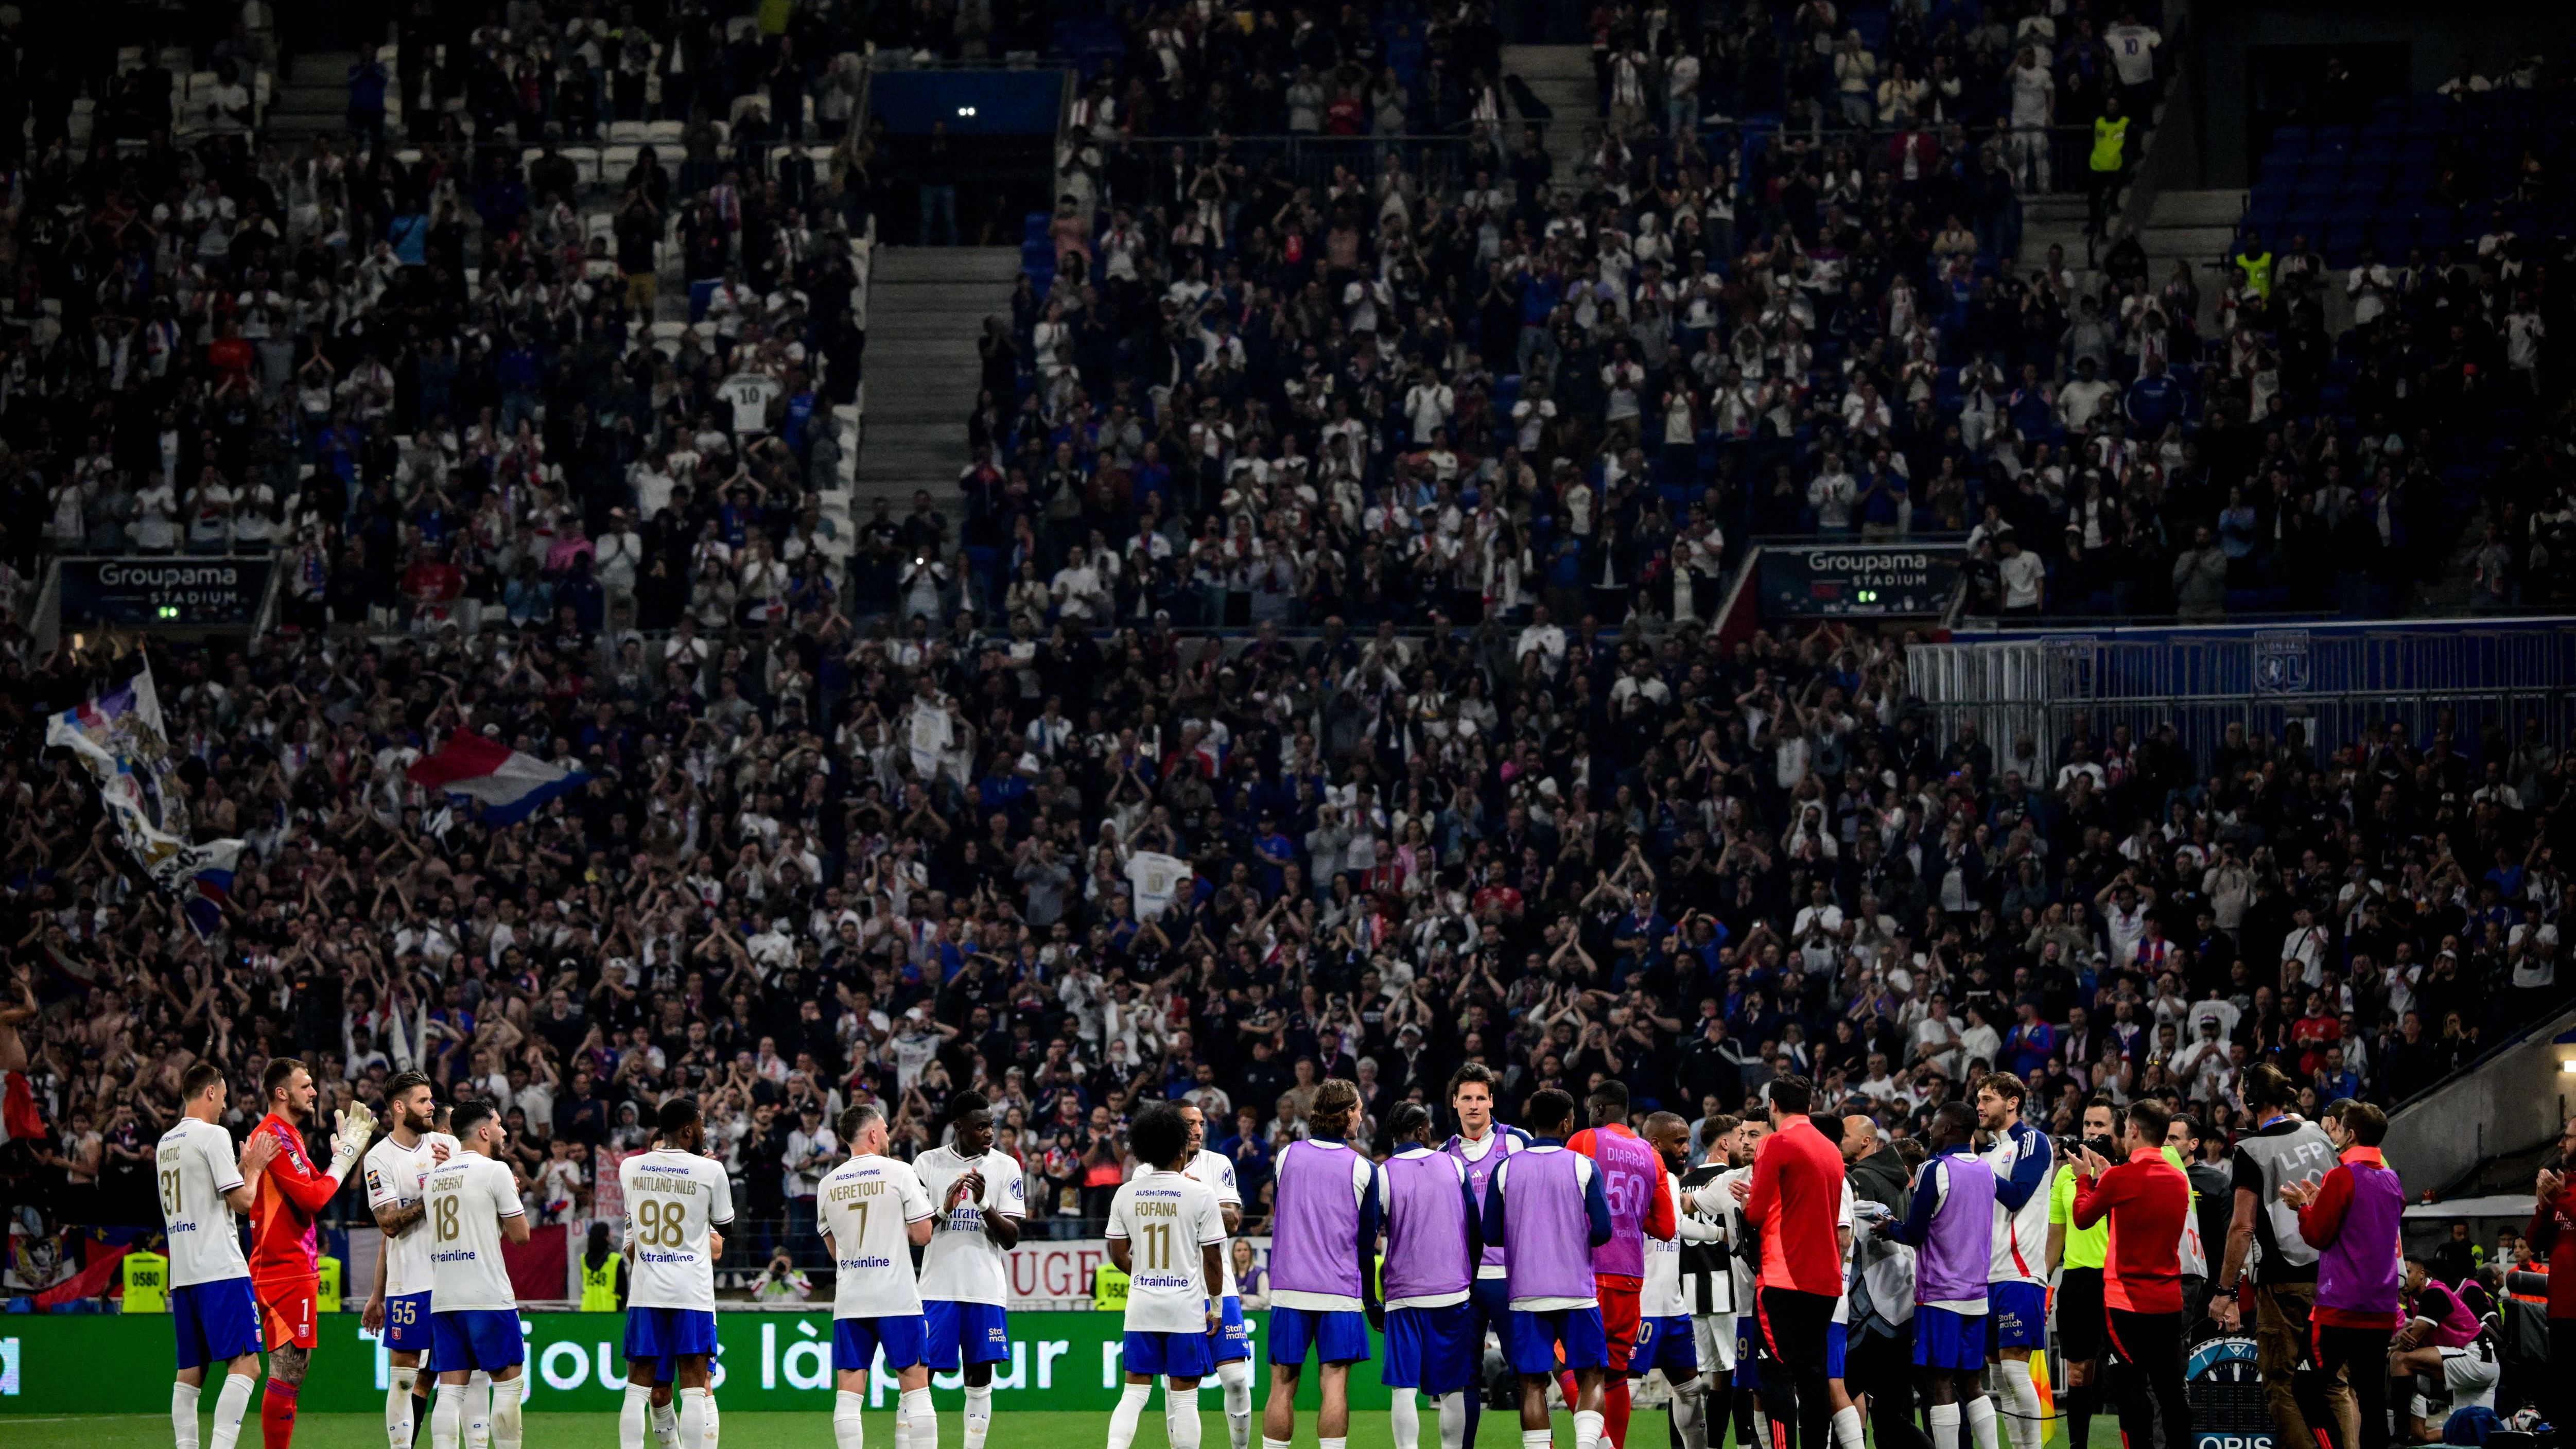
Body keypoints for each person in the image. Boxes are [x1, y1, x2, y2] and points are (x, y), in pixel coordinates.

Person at [249, 1060, 377, 1449]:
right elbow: (314, 1198)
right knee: (287, 1371)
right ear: (282, 1093)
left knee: (293, 1372)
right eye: (305, 1085)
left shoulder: (289, 1135)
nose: (314, 1092)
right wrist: (346, 1158)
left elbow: (314, 1187)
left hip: (290, 1266)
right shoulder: (273, 1136)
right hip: (283, 1268)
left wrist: (340, 1160)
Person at [1485, 1087, 1616, 1449]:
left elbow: (1490, 1234)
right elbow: (1604, 1229)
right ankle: (1587, 1446)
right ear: (1567, 1123)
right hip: (1576, 1291)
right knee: (1591, 1374)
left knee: (1532, 1382)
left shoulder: (1505, 1168)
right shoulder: (1583, 1166)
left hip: (1526, 1293)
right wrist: (1572, 1240)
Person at [2218, 1064, 2341, 1449]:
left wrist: (2225, 1290)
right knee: (2336, 1383)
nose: (2239, 1099)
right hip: (2334, 1276)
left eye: (2242, 1093)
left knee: (2279, 1384)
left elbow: (2242, 1227)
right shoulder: (2318, 1133)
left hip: (2283, 1283)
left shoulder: (2251, 1149)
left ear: (2253, 1100)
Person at [160, 1061, 280, 1449]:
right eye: (223, 1097)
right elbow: (243, 1202)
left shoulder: (166, 1143)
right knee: (247, 1365)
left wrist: (239, 1166)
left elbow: (205, 1193)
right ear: (210, 1092)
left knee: (190, 1374)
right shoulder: (214, 1135)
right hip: (220, 1270)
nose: (224, 1105)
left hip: (183, 1275)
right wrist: (255, 1169)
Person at [1262, 1080, 1381, 1449]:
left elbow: (1283, 1210)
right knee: (1334, 1384)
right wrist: (1370, 1300)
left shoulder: (1286, 1157)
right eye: (1358, 1109)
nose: (1360, 1116)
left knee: (1282, 1384)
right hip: (1339, 1292)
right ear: (1345, 1114)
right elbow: (1366, 1245)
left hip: (1290, 1288)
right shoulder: (1363, 1169)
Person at [2069, 1098, 2192, 1449]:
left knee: (2130, 1390)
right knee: (2170, 1389)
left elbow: (2083, 1217)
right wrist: (2109, 1177)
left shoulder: (2121, 1178)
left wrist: (2084, 1179)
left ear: (2134, 1130)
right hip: (2168, 1300)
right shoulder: (2178, 1179)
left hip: (2127, 1302)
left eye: (2124, 1130)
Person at [2281, 1099, 2403, 1449]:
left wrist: (2304, 1208)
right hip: (2381, 1308)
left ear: (2349, 1134)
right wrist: (2324, 1202)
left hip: (2340, 1306)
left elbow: (2317, 1235)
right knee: (2371, 1397)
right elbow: (2366, 1221)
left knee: (2305, 1386)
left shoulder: (2341, 1176)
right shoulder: (2392, 1179)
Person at [1104, 1103, 1228, 1449]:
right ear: (1180, 1149)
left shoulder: (1126, 1192)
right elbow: (1213, 1259)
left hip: (1142, 1305)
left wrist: (1145, 1275)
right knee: (1185, 1398)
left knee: (1134, 1393)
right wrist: (1217, 1307)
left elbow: (1118, 1253)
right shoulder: (1200, 1194)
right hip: (1184, 1307)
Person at [1565, 1080, 1677, 1449]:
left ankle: (1601, 1444)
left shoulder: (1584, 1141)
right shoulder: (1651, 1154)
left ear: (1598, 1109)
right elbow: (1666, 1227)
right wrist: (1631, 1212)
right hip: (1630, 1277)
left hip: (1587, 1272)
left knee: (1565, 1363)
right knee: (1615, 1377)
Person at [1735, 1076, 1844, 1449]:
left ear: (1773, 1106)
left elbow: (1755, 1213)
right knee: (1814, 1377)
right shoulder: (1831, 1149)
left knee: (1775, 1373)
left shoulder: (1776, 1142)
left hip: (1784, 1276)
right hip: (1825, 1280)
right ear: (1810, 1106)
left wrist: (1747, 1202)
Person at [821, 1105, 938, 1449]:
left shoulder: (827, 1184)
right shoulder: (899, 1172)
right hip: (896, 1297)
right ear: (873, 1134)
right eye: (885, 1129)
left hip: (851, 1300)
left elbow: (835, 1251)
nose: (887, 1135)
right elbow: (923, 1235)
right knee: (916, 1389)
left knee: (848, 1394)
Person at [619, 1097, 734, 1449]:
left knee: (636, 1390)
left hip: (646, 1291)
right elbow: (725, 1227)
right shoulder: (710, 1171)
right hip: (691, 1292)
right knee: (695, 1389)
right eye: (701, 1125)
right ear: (687, 1130)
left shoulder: (629, 1167)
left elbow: (633, 1229)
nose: (704, 1132)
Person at [1886, 1102, 2000, 1449]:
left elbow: (1914, 1232)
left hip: (1941, 1294)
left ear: (1948, 1129)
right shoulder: (1986, 1170)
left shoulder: (1933, 1169)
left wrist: (1889, 1227)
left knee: (1940, 1382)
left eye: (1935, 1126)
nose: (1930, 1132)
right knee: (1972, 1382)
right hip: (1977, 1295)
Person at [916, 1091, 1025, 1449]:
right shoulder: (927, 1164)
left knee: (980, 1381)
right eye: (980, 1126)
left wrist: (984, 1203)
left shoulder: (1006, 1167)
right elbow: (915, 1233)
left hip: (984, 1290)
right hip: (937, 1290)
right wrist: (945, 1208)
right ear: (958, 1126)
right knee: (920, 1381)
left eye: (991, 1124)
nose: (989, 1132)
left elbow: (1011, 1238)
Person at [424, 1102, 532, 1449]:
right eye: (499, 1125)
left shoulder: (434, 1178)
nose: (504, 1132)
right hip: (487, 1296)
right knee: (508, 1385)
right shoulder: (496, 1171)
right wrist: (511, 1196)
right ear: (484, 1131)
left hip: (444, 1299)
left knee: (450, 1391)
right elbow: (521, 1235)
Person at [1374, 1102, 1482, 1449]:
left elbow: (1366, 1238)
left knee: (1403, 1386)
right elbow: (1476, 1231)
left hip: (1404, 1294)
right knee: (1453, 1387)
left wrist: (1370, 1298)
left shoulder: (1383, 1174)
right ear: (1421, 1131)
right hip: (1452, 1291)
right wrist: (1469, 1280)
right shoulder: (1454, 1165)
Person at [1443, 1063, 1530, 1449]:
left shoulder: (1518, 1142)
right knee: (1464, 1378)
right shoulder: (1443, 1154)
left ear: (1492, 1101)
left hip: (1512, 1279)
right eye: (1467, 1098)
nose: (1474, 1105)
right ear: (1455, 1103)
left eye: (1481, 1097)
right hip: (1464, 1284)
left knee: (1528, 1374)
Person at [360, 1073, 447, 1449]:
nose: (431, 1106)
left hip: (452, 1278)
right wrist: (378, 1294)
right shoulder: (380, 1158)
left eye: (431, 1099)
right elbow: (389, 1226)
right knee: (404, 1376)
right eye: (423, 1100)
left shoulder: (446, 1146)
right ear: (399, 1107)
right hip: (410, 1281)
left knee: (450, 1375)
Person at [1974, 1073, 2055, 1449]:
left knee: (2015, 1372)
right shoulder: (1988, 1154)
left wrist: (1974, 1170)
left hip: (2019, 1273)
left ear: (2012, 1103)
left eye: (1987, 1098)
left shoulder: (2032, 1141)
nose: (1979, 1106)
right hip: (1986, 1276)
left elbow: (2017, 1195)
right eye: (1978, 1099)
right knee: (1999, 1378)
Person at [1178, 1104, 1256, 1449]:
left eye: (1200, 1123)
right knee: (1181, 1387)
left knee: (1236, 1378)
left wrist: (1199, 1195)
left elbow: (1233, 1222)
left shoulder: (1218, 1164)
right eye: (1190, 1124)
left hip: (1220, 1285)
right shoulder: (1147, 1172)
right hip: (1176, 1289)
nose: (1198, 1130)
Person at [1640, 1112, 1718, 1449]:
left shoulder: (1671, 1181)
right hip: (1642, 1306)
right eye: (1680, 1141)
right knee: (1624, 1387)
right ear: (1656, 1143)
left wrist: (1720, 1234)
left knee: (1690, 1388)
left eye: (1688, 1140)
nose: (1687, 1148)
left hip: (1673, 1308)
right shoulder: (1637, 1179)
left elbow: (1676, 1225)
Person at [2047, 1097, 2116, 1449]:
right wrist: (2041, 1282)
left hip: (2118, 1279)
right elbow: (2056, 1235)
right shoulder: (2065, 1175)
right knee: (2077, 1374)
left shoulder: (2123, 1172)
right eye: (2088, 1124)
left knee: (2126, 1372)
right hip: (2077, 1281)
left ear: (2116, 1131)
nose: (2091, 1131)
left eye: (2099, 1125)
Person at [2390, 1257, 2499, 1440]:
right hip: (2471, 1364)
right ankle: (2414, 1433)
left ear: (2422, 1274)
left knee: (2400, 1361)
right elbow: (2400, 1337)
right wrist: (2399, 1339)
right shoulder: (2413, 1300)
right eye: (2399, 1273)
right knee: (2473, 1433)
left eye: (2407, 1272)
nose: (2402, 1277)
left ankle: (2400, 1435)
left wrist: (2397, 1342)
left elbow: (2409, 1340)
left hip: (2477, 1358)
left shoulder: (2434, 1294)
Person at [2527, 1117, 2576, 1445]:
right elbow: (2534, 1242)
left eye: (2568, 1137)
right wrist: (2545, 1207)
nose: (2561, 1144)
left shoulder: (2564, 1192)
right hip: (2562, 1309)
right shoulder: (2563, 1185)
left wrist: (2559, 1199)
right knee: (2566, 1394)